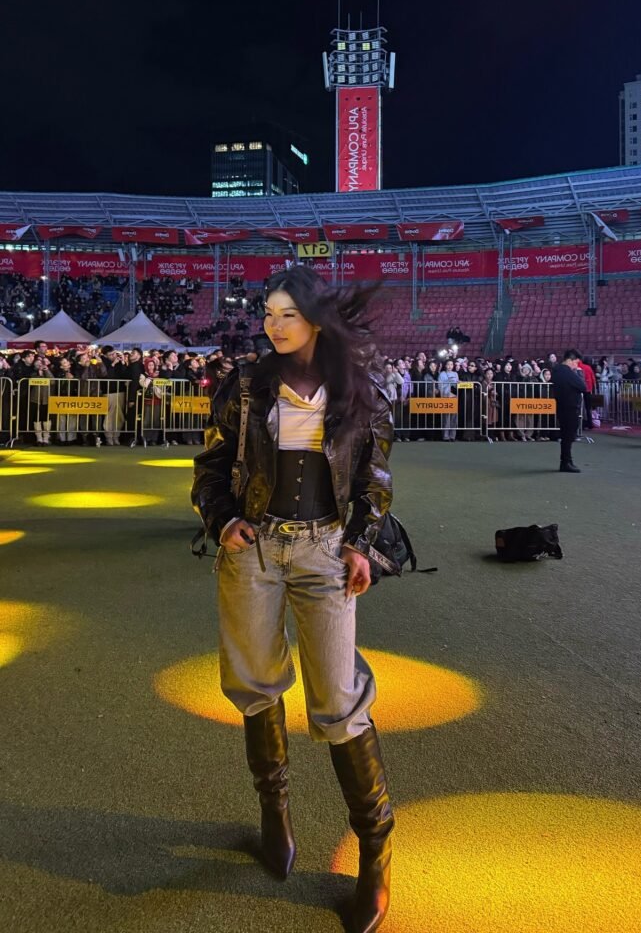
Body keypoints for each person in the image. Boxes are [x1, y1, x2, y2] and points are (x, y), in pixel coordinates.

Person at [191, 266, 394, 933]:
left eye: (285, 313)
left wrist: (362, 543)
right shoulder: (245, 383)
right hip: (254, 549)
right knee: (253, 683)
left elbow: (374, 475)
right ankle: (272, 813)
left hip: (325, 552)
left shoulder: (356, 386)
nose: (272, 324)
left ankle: (374, 853)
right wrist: (223, 521)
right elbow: (212, 464)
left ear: (314, 317)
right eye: (267, 312)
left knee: (337, 701)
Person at [551, 349, 586, 472]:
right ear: (570, 360)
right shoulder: (567, 372)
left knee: (566, 436)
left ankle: (566, 461)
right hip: (570, 407)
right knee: (568, 436)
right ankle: (566, 462)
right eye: (576, 362)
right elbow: (582, 386)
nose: (576, 365)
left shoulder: (556, 371)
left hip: (562, 406)